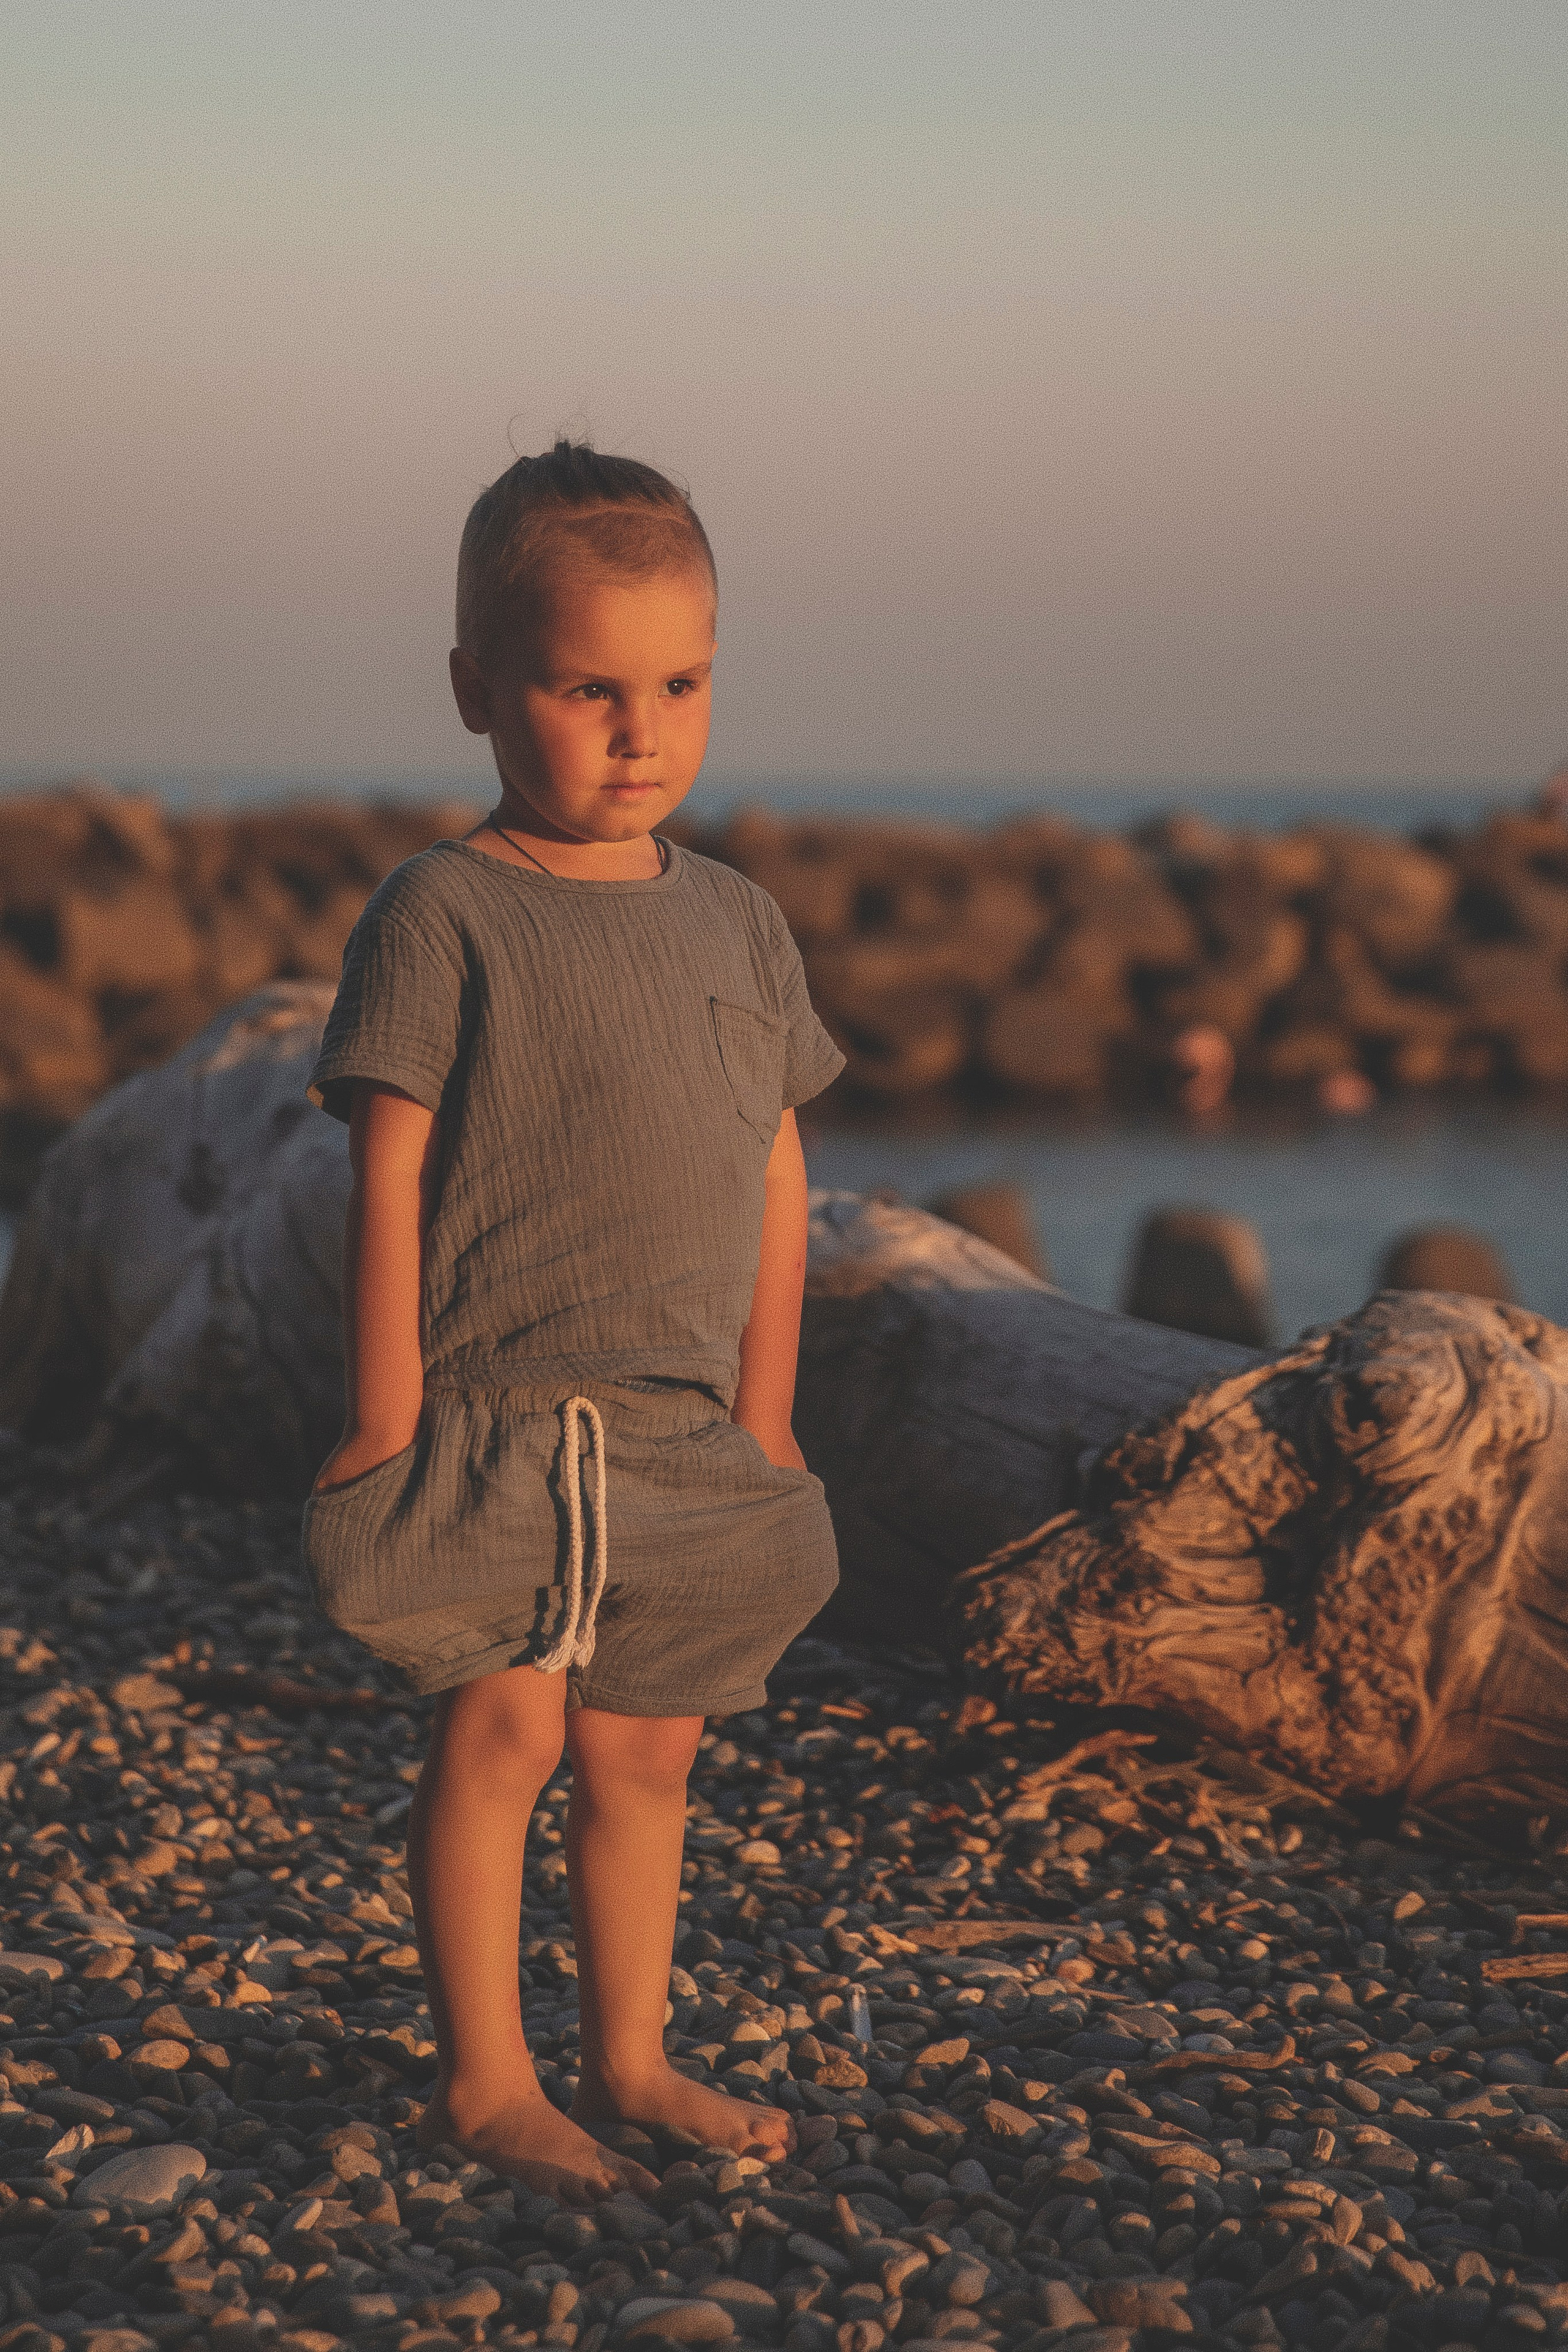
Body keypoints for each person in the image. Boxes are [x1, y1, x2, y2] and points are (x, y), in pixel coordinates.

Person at [301, 440, 843, 2201]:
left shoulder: (743, 926)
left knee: (650, 1751)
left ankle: (630, 2054)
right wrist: (388, 1409)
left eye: (679, 685)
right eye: (587, 687)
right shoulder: (446, 910)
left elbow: (775, 1175)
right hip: (501, 1411)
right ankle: (485, 2080)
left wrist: (768, 1411)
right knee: (506, 1730)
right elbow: (387, 1174)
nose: (642, 731)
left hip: (686, 1429)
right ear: (477, 691)